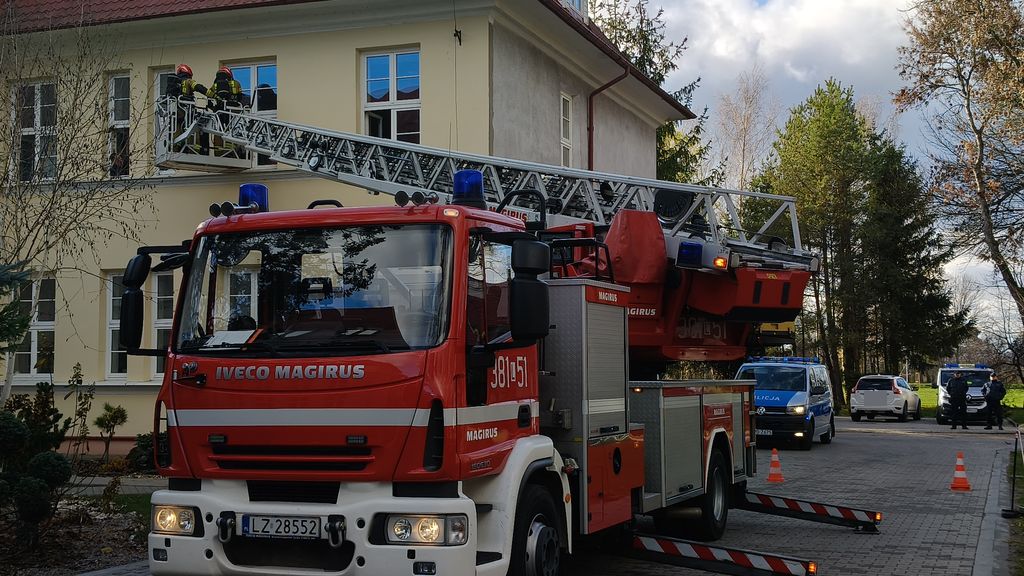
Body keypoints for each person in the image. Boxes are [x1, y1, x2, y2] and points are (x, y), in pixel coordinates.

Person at [166, 64, 208, 153]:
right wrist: (212, 95)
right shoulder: (188, 81)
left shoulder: (175, 84)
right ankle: (193, 149)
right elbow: (198, 87)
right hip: (187, 111)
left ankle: (175, 147)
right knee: (194, 127)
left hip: (177, 111)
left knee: (176, 129)